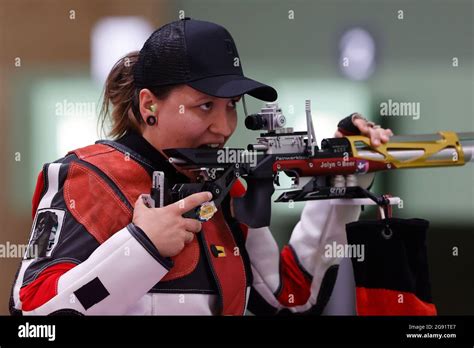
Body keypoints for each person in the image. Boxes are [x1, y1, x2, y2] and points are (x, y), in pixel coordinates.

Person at [10, 18, 392, 315]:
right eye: (205, 106)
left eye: (231, 106)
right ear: (149, 106)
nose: (224, 127)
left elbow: (290, 298)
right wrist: (141, 248)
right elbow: (32, 318)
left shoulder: (225, 191)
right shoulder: (89, 177)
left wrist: (340, 177)